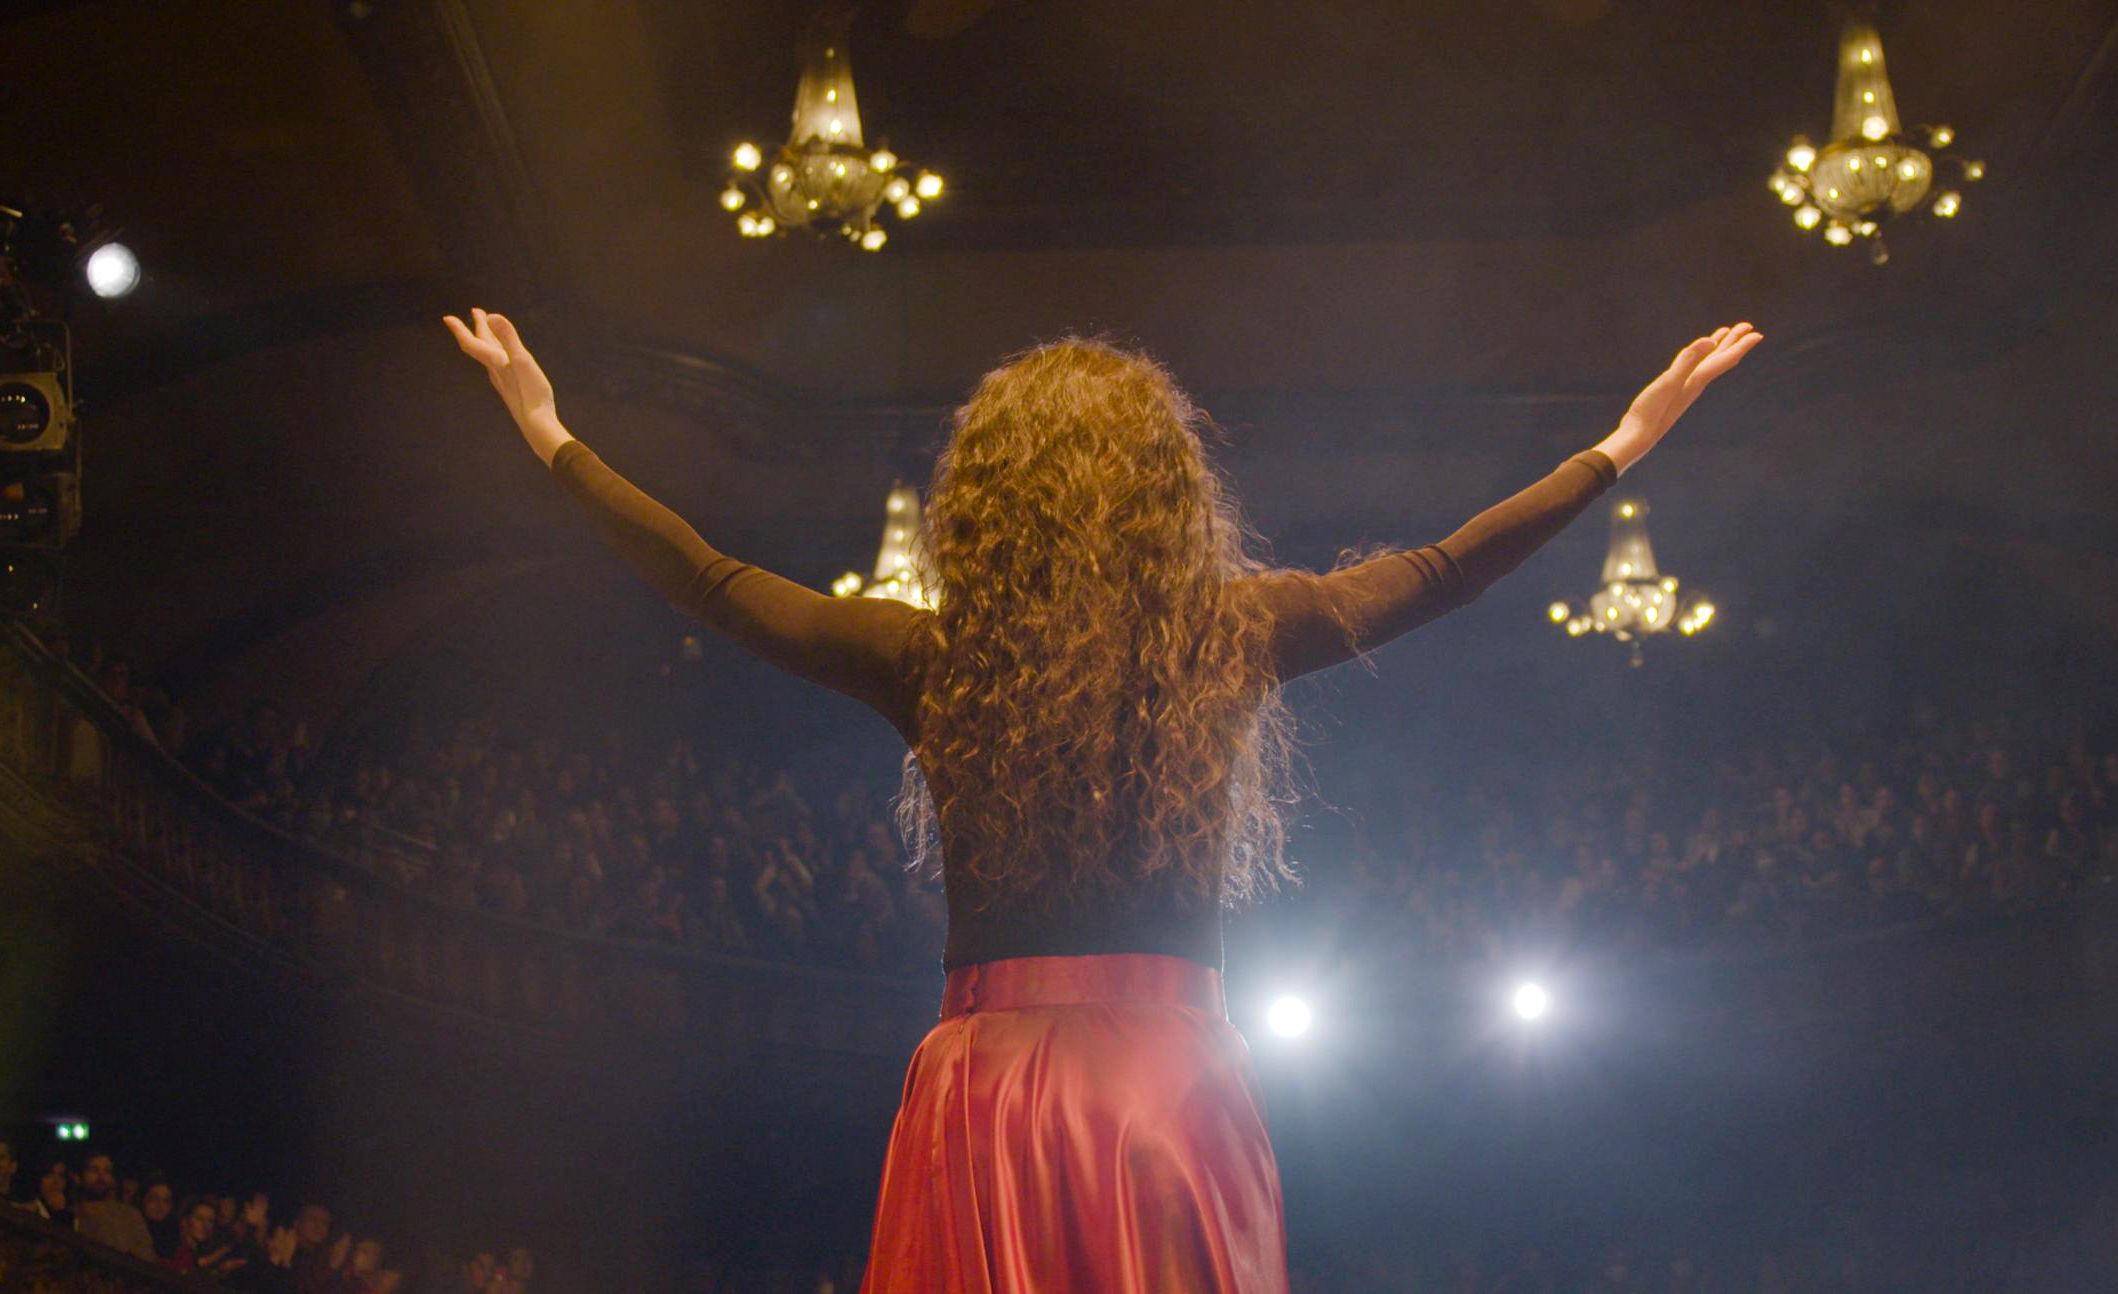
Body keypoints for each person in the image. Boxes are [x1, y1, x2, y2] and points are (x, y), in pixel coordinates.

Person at [445, 307, 1760, 1292]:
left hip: (984, 1084)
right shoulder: (1232, 631)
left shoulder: (935, 656)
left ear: (984, 501)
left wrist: (550, 432)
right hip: (1168, 1079)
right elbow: (1440, 568)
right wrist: (1617, 442)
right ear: (1166, 491)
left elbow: (716, 582)